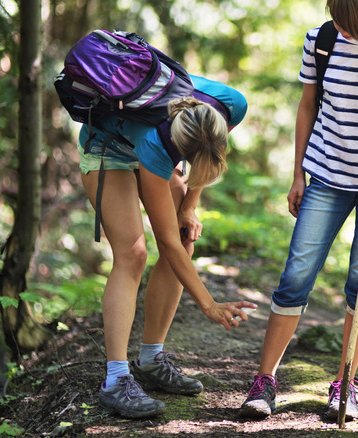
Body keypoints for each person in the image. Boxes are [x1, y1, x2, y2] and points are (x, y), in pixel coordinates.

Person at [239, 0, 358, 422]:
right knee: (296, 277)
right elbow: (308, 106)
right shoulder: (320, 40)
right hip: (325, 174)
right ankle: (265, 380)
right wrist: (298, 174)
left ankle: (345, 382)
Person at [78, 74, 258, 419]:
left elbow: (206, 156)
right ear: (178, 148)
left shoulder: (230, 105)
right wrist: (209, 305)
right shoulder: (154, 143)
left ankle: (150, 359)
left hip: (164, 145)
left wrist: (190, 205)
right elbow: (167, 243)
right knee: (133, 254)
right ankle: (115, 380)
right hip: (107, 147)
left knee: (186, 233)